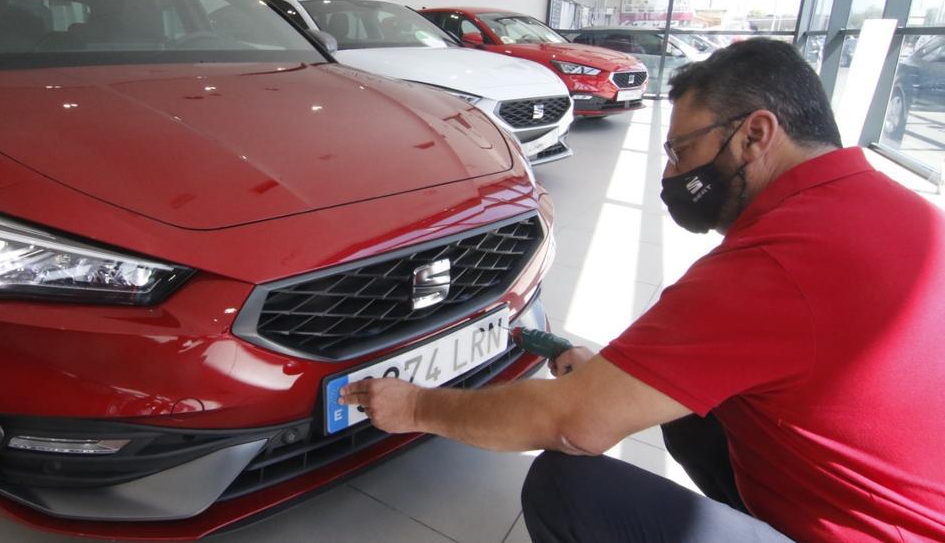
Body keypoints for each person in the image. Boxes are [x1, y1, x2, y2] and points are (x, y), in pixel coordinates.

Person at [339, 39, 945, 542]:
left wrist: (416, 407)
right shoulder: (903, 211)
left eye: (682, 151)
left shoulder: (774, 264)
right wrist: (616, 379)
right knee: (690, 412)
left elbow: (574, 427)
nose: (672, 175)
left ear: (756, 135)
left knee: (569, 485)